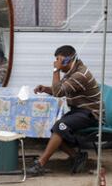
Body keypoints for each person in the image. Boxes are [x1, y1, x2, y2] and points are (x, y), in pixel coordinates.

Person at [27, 45, 101, 176]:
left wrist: (56, 70)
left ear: (66, 60)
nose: (56, 62)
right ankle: (77, 156)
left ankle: (41, 163)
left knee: (60, 126)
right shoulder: (72, 72)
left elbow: (58, 91)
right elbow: (59, 91)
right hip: (79, 112)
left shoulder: (80, 74)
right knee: (54, 126)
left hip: (91, 114)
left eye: (58, 59)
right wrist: (45, 89)